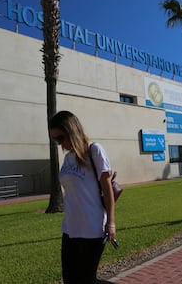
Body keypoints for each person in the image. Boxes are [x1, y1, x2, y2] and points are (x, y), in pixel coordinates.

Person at [49, 110, 116, 284]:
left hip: (92, 228)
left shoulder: (95, 150)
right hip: (70, 228)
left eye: (61, 138)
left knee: (86, 280)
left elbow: (107, 189)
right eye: (55, 140)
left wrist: (111, 223)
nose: (59, 143)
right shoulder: (68, 158)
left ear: (71, 130)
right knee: (70, 279)